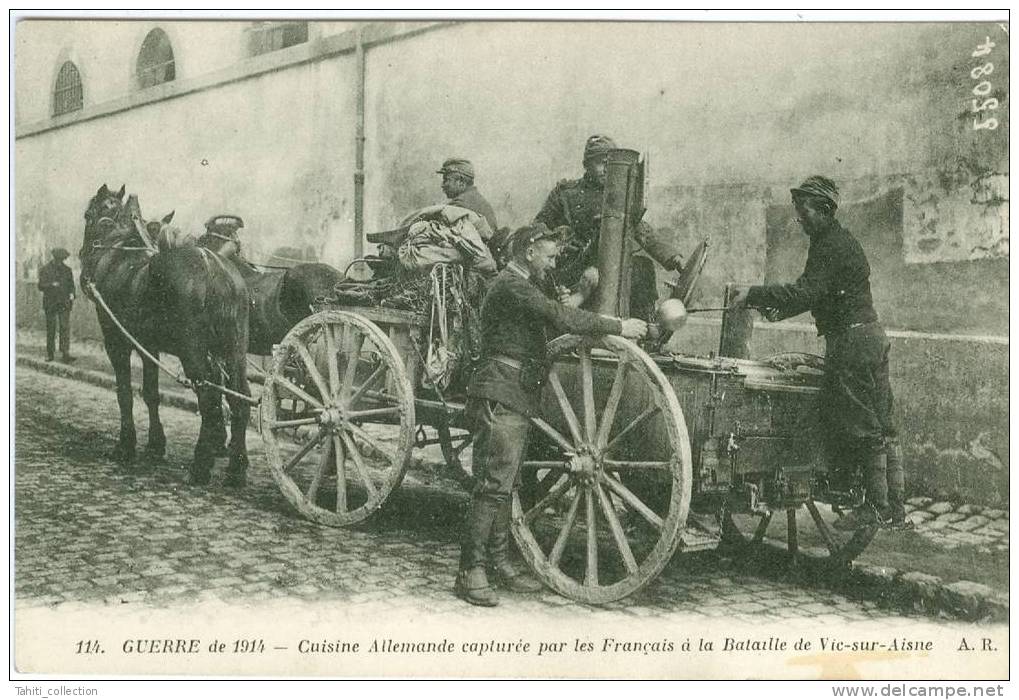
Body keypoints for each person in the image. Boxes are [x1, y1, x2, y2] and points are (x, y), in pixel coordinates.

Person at [456, 223, 649, 606]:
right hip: (501, 390)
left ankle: (498, 560)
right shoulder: (510, 284)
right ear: (529, 251)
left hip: (517, 390)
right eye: (549, 254)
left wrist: (583, 291)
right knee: (493, 484)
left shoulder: (526, 283)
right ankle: (470, 570)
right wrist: (618, 327)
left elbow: (558, 309)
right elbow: (557, 316)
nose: (554, 259)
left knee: (506, 483)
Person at [727, 176, 910, 531]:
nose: (800, 219)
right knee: (884, 426)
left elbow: (805, 293)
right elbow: (819, 295)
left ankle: (875, 507)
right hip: (872, 337)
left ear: (825, 210)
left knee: (861, 426)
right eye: (798, 212)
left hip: (851, 346)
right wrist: (776, 309)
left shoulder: (829, 245)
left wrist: (754, 295)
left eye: (805, 211)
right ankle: (895, 510)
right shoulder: (842, 242)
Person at [533, 134, 685, 312]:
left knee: (642, 267)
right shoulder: (565, 194)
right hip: (574, 269)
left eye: (609, 164)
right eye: (600, 163)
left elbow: (642, 230)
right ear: (586, 165)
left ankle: (646, 324)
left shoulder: (619, 196)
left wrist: (674, 258)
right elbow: (537, 228)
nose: (606, 169)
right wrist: (560, 242)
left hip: (609, 265)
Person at [437, 158, 499, 233]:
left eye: (446, 180)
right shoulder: (478, 199)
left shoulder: (459, 205)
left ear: (461, 182)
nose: (442, 185)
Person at [38, 247, 76, 363]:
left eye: (63, 259)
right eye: (59, 259)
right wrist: (51, 285)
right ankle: (50, 354)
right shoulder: (45, 269)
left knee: (64, 328)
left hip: (64, 303)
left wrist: (73, 294)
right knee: (51, 329)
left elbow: (72, 285)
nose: (61, 261)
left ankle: (65, 354)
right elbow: (40, 286)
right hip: (51, 303)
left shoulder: (67, 270)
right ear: (55, 258)